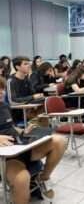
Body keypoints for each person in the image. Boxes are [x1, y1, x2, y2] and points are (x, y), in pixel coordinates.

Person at [0, 76, 66, 204]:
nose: (1, 92)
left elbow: (10, 127)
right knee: (22, 178)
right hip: (6, 158)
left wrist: (23, 131)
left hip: (20, 145)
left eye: (2, 89)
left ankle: (43, 178)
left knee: (60, 141)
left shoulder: (4, 106)